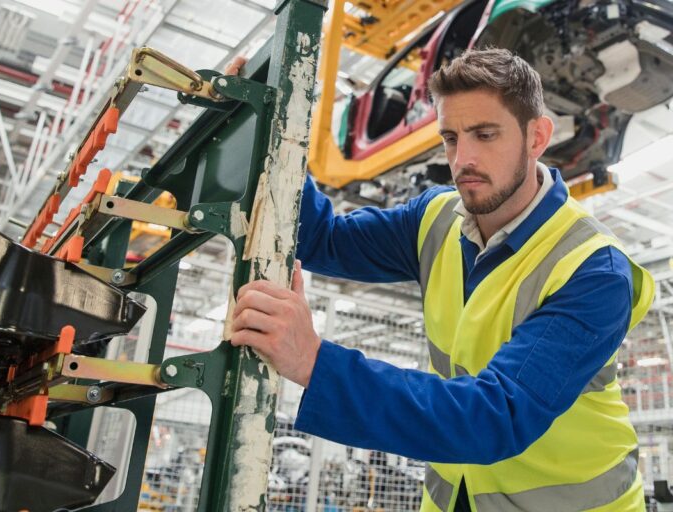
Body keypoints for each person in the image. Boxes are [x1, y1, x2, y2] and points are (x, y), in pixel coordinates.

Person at [230, 48, 654, 511]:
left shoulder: (593, 270)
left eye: (485, 135)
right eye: (451, 137)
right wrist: (266, 126)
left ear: (537, 137)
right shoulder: (435, 218)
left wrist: (313, 360)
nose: (463, 159)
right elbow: (324, 239)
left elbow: (497, 417)